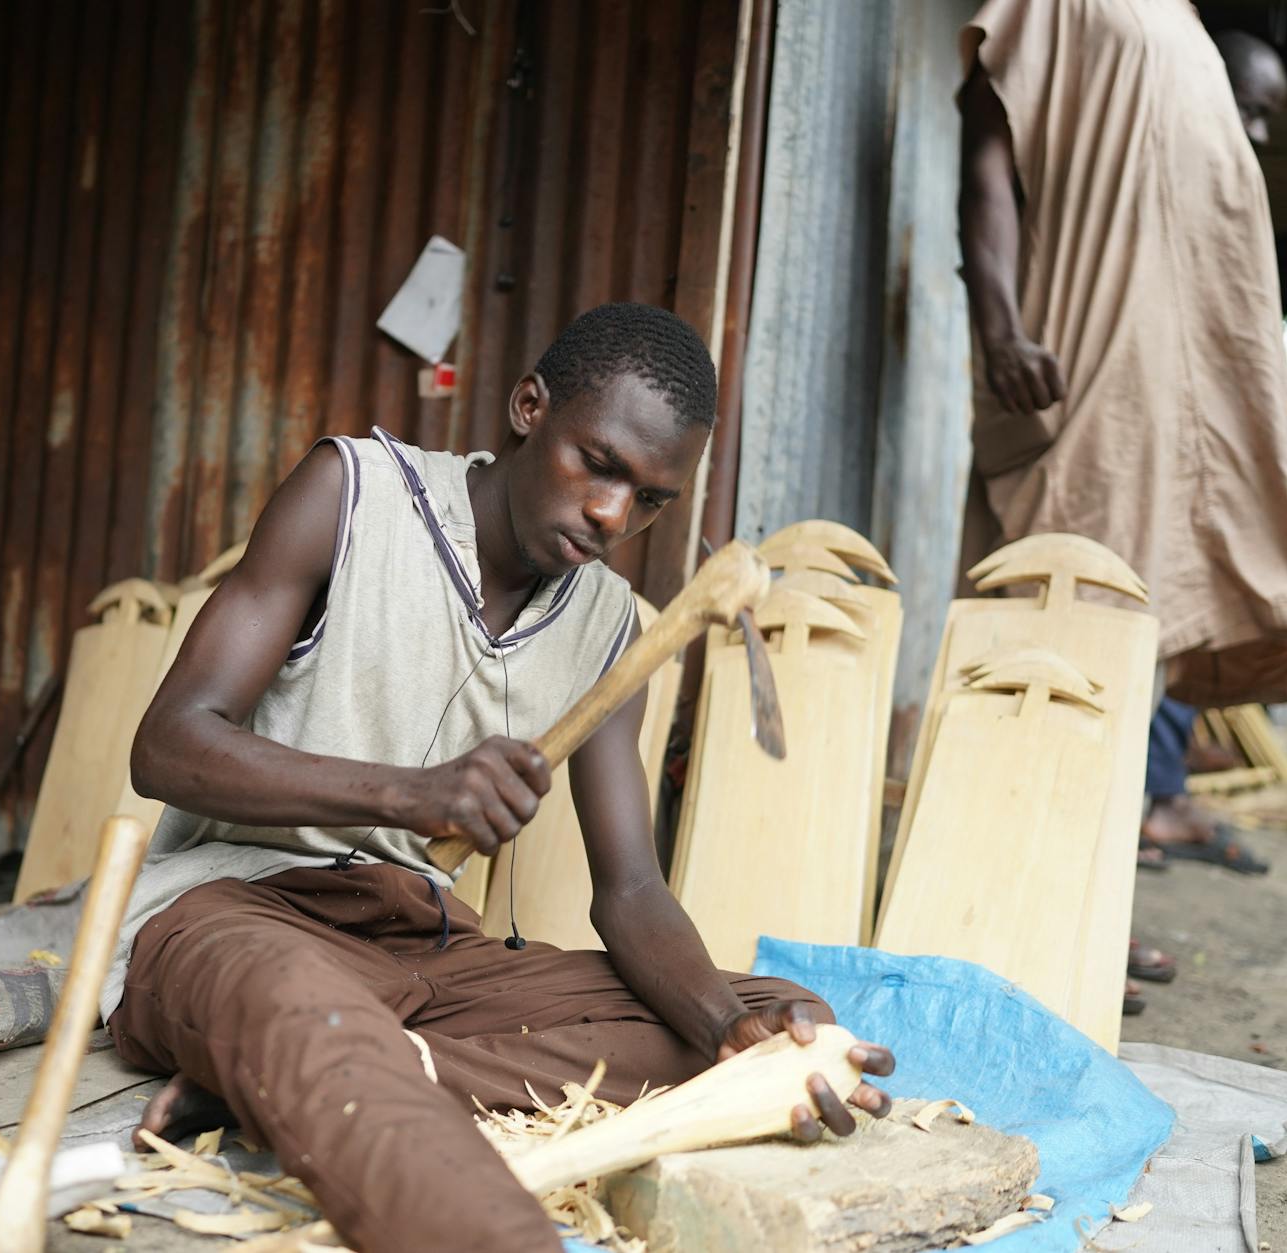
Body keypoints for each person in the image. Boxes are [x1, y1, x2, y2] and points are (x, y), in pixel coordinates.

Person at [100, 303, 895, 1253]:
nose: (612, 515)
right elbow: (170, 744)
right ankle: (327, 1072)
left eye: (650, 500)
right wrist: (410, 792)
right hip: (237, 908)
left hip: (426, 953)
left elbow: (631, 890)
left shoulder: (609, 627)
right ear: (529, 407)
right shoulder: (351, 493)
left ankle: (288, 1073)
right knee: (300, 1007)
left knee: (787, 1022)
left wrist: (729, 1031)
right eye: (599, 464)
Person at [955, 1, 1287, 1009]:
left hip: (1172, 411)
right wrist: (996, 328)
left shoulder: (1185, 34)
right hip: (1086, 394)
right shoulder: (1060, 5)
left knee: (1124, 674)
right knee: (1048, 652)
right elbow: (983, 157)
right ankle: (1005, 922)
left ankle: (1078, 919)